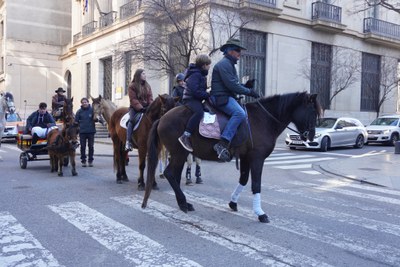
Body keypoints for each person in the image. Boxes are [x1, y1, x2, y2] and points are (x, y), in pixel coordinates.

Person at [210, 38, 260, 162]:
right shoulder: (224, 64)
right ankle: (223, 142)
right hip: (221, 98)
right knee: (240, 113)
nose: (240, 53)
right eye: (238, 50)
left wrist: (246, 86)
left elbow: (234, 84)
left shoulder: (229, 64)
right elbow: (232, 86)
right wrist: (249, 92)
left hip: (227, 96)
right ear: (230, 51)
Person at [178, 54, 212, 152]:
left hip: (196, 99)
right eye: (208, 65)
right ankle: (185, 135)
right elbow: (195, 91)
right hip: (190, 99)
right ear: (204, 65)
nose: (209, 67)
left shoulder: (200, 74)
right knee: (199, 112)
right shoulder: (196, 74)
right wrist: (207, 95)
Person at [125, 69, 153, 151]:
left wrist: (150, 106)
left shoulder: (148, 86)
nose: (145, 75)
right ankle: (128, 142)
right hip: (135, 108)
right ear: (138, 75)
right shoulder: (132, 86)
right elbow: (133, 99)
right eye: (143, 74)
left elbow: (150, 98)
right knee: (131, 121)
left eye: (145, 74)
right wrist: (140, 108)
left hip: (146, 108)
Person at [75, 97, 96, 167]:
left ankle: (90, 160)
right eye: (83, 102)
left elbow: (96, 118)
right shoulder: (79, 112)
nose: (84, 103)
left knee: (91, 146)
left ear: (88, 102)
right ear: (81, 103)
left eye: (85, 102)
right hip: (82, 132)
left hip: (91, 131)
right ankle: (83, 161)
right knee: (83, 147)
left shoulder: (92, 110)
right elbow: (76, 122)